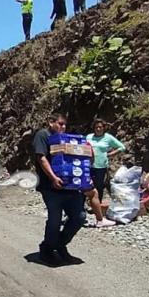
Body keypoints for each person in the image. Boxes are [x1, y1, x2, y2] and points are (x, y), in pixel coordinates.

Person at [33, 113, 86, 266]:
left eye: (65, 125)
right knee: (55, 220)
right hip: (50, 188)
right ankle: (47, 250)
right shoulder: (43, 135)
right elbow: (41, 158)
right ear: (51, 122)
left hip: (70, 187)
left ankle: (59, 244)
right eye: (60, 124)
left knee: (80, 217)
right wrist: (53, 178)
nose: (63, 127)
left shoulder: (68, 139)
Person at [86, 119, 126, 203]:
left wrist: (110, 154)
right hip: (88, 166)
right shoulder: (89, 137)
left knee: (99, 187)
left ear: (104, 128)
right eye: (96, 127)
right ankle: (84, 206)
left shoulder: (108, 137)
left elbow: (122, 147)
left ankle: (97, 206)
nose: (98, 129)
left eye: (100, 127)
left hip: (101, 167)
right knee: (86, 186)